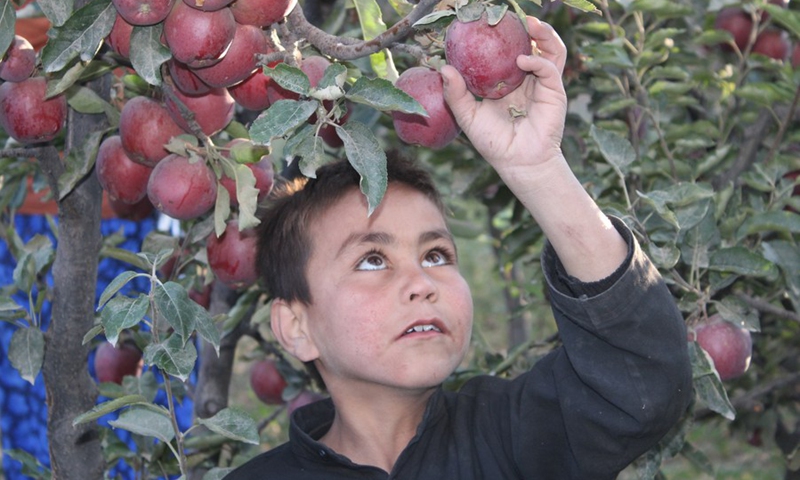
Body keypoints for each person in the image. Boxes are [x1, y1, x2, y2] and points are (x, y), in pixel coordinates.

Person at [225, 16, 693, 479]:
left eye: (436, 255)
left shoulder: (515, 437)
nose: (422, 284)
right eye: (372, 260)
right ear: (295, 326)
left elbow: (641, 375)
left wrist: (537, 168)